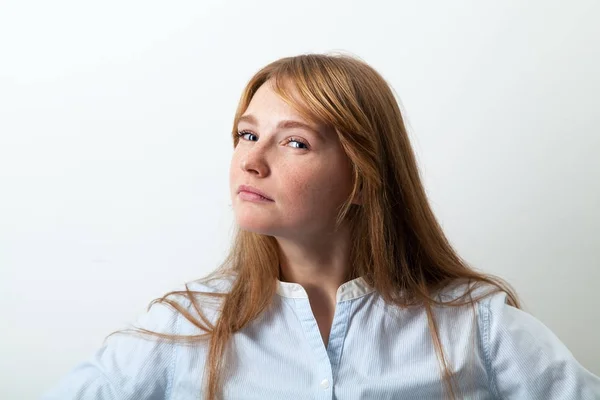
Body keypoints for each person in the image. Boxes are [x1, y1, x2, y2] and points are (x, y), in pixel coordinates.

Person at [42, 53, 600, 400]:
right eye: (246, 134)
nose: (252, 161)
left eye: (294, 142)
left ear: (362, 176)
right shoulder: (182, 330)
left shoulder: (477, 326)